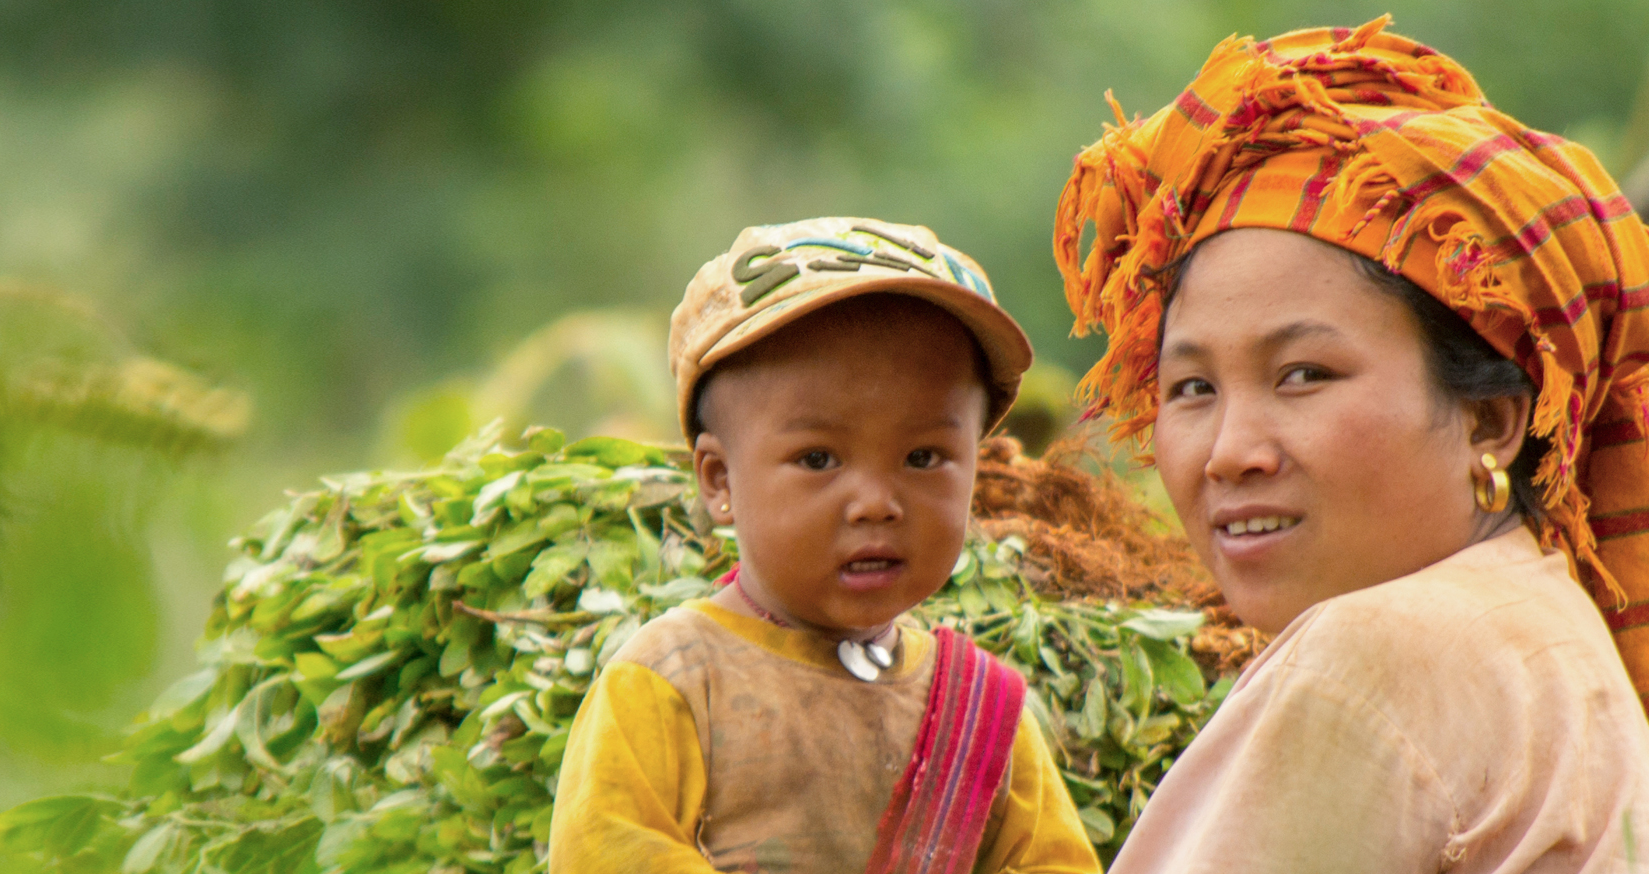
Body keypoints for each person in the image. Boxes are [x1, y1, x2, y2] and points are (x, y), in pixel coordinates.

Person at [1053, 19, 1649, 871]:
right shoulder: (1541, 632)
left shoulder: (1377, 653)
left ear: (1491, 421)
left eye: (1303, 375)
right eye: (1192, 388)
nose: (1229, 452)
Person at [550, 216, 1101, 873]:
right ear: (720, 480)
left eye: (924, 456)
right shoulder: (669, 680)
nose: (876, 502)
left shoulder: (983, 713)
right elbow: (608, 851)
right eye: (818, 459)